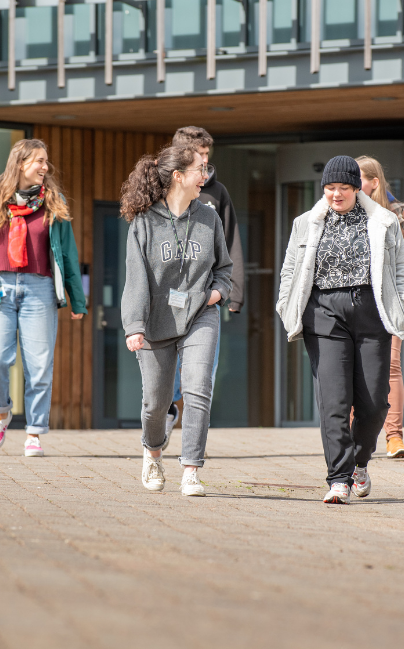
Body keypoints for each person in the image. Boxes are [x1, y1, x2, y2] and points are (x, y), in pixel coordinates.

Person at [276, 156, 404, 504]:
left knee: (374, 402)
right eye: (329, 188)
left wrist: (402, 304)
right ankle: (338, 478)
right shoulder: (306, 223)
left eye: (343, 188)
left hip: (372, 314)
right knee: (334, 401)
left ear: (358, 188)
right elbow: (290, 271)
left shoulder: (384, 221)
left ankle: (359, 462)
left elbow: (402, 266)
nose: (335, 195)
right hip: (324, 315)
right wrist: (286, 306)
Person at [0, 139, 86, 458]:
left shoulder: (52, 203)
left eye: (46, 161)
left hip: (40, 289)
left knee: (39, 365)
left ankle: (34, 433)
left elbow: (68, 255)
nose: (45, 167)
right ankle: (1, 412)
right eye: (39, 161)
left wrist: (77, 299)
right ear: (20, 163)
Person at [120, 144, 233, 496]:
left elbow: (224, 271)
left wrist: (213, 296)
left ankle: (190, 471)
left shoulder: (209, 217)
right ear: (178, 176)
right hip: (155, 320)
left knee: (198, 387)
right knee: (156, 403)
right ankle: (153, 453)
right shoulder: (144, 222)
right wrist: (134, 325)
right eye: (201, 168)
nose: (206, 175)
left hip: (201, 315)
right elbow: (136, 278)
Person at [161, 126, 245, 446]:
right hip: (168, 298)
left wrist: (233, 292)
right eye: (200, 159)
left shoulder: (217, 193)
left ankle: (192, 451)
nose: (206, 167)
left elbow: (230, 242)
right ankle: (167, 410)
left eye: (208, 157)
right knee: (167, 368)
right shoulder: (162, 193)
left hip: (206, 297)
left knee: (202, 370)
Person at [356, 156, 404, 459]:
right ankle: (354, 438)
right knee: (354, 368)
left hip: (391, 305)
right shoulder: (347, 212)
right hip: (357, 303)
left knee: (391, 367)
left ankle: (394, 437)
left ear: (374, 182)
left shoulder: (398, 214)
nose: (351, 184)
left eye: (358, 178)